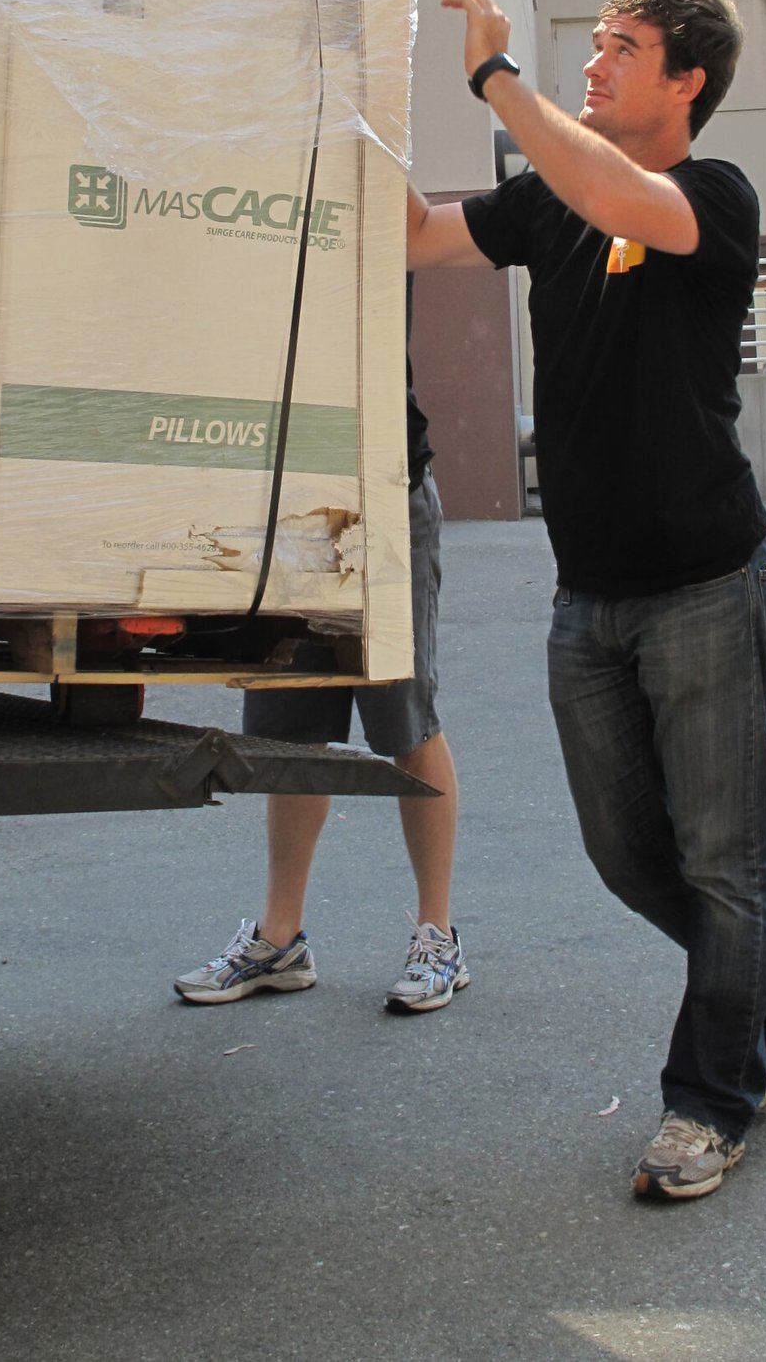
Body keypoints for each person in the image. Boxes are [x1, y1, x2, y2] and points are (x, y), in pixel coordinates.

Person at [407, 0, 766, 1199]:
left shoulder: (710, 196)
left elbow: (614, 196)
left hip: (707, 581)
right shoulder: (550, 198)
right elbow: (417, 235)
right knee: (628, 858)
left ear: (687, 80)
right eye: (593, 45)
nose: (595, 64)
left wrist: (496, 77)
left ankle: (707, 1105)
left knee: (721, 861)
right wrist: (347, 95)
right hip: (587, 593)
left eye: (624, 48)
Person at [174, 296, 465, 1014]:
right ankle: (280, 940)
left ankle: (437, 937)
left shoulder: (371, 230)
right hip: (286, 499)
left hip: (383, 494)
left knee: (407, 722)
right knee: (290, 730)